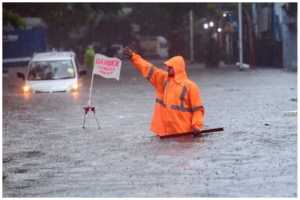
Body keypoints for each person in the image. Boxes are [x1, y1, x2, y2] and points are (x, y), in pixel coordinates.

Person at [123, 47, 205, 137]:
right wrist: (133, 57)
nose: (168, 69)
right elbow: (147, 68)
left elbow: (198, 110)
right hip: (163, 133)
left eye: (171, 67)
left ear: (178, 68)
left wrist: (196, 125)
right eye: (168, 67)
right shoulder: (163, 80)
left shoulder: (191, 86)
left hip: (183, 133)